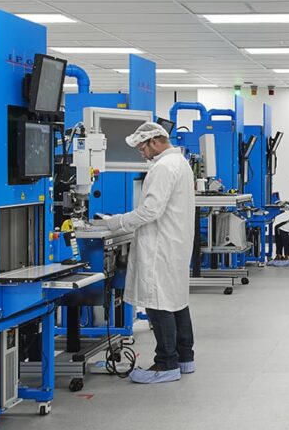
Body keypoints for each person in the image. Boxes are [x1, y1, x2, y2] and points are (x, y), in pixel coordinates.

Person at [93, 121, 196, 384]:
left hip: (161, 244)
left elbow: (150, 211)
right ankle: (185, 358)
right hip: (175, 243)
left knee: (158, 302)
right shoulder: (180, 163)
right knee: (176, 300)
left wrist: (116, 222)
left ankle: (166, 363)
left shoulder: (163, 167)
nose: (142, 154)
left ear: (154, 141)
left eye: (142, 148)